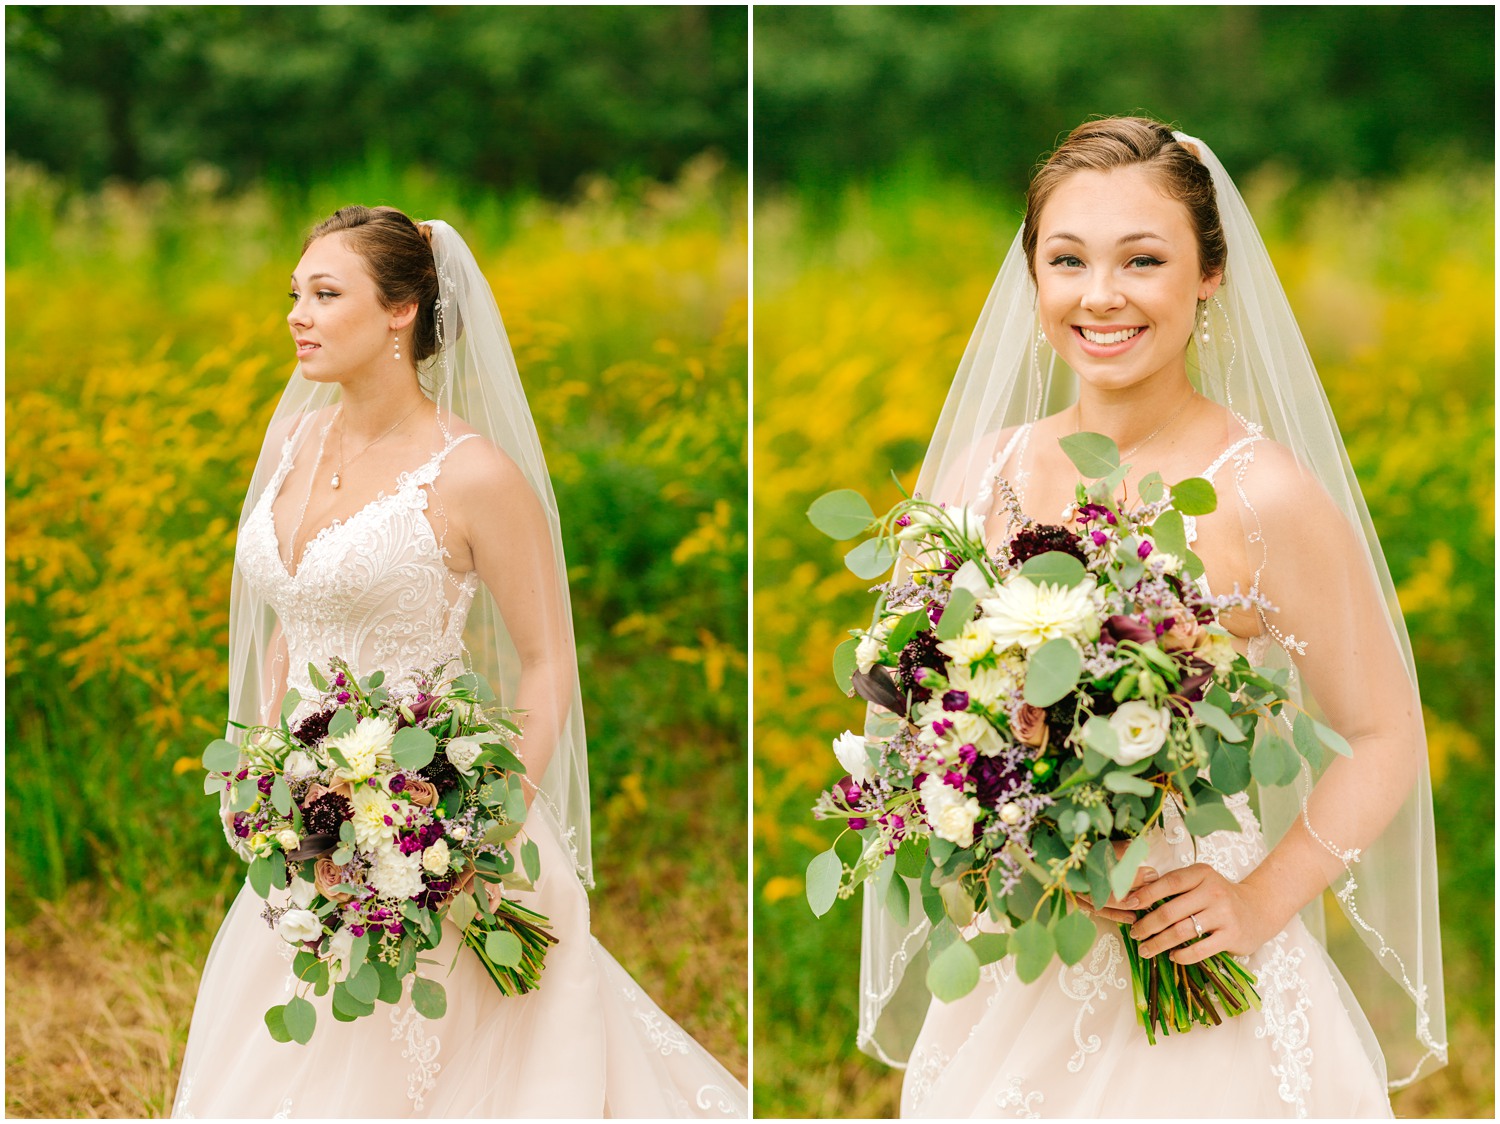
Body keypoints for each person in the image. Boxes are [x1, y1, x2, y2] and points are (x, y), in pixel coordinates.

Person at [857, 118, 1446, 1117]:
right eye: (1067, 259)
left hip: (1190, 951)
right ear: (1032, 274)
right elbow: (923, 707)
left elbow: (1386, 734)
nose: (1101, 294)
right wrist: (986, 819)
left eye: (1143, 258)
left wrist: (1258, 899)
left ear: (1209, 272)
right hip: (1027, 947)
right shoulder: (982, 471)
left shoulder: (1264, 496)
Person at [171, 206, 747, 1118]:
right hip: (309, 832)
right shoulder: (290, 443)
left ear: (401, 311)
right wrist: (266, 775)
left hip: (435, 822)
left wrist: (487, 825)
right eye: (295, 294)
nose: (298, 315)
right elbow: (295, 614)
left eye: (326, 294)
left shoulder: (471, 475)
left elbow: (547, 659)